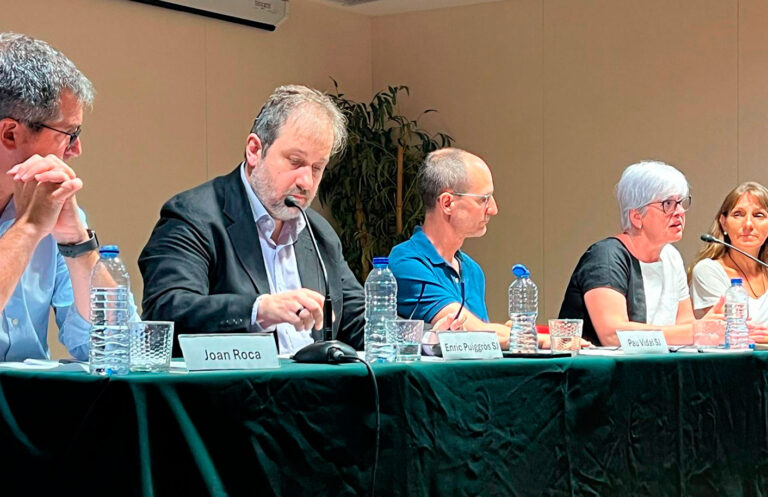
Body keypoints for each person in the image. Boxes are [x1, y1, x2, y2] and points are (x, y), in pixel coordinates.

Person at [139, 86, 363, 354]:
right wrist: (259, 310)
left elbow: (358, 321)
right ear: (255, 150)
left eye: (317, 168)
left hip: (316, 381)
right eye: (295, 161)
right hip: (240, 381)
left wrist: (408, 336)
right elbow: (166, 311)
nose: (306, 181)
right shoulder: (193, 216)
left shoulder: (319, 233)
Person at [0, 33, 101, 362]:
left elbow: (114, 345)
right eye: (69, 134)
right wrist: (28, 228)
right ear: (10, 133)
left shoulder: (50, 207)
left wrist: (77, 242)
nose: (76, 150)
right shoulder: (36, 216)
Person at [389, 148, 541, 349]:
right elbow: (474, 334)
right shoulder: (406, 263)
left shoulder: (472, 269)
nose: (493, 209)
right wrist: (541, 339)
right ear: (447, 203)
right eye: (483, 199)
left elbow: (481, 344)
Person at [559, 160, 713, 346]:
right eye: (668, 204)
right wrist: (697, 331)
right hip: (599, 364)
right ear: (637, 217)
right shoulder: (605, 258)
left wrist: (709, 327)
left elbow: (685, 326)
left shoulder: (671, 256)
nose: (680, 212)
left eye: (680, 203)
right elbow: (613, 335)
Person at [690, 182, 768, 328]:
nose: (748, 224)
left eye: (758, 215)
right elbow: (731, 330)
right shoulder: (708, 270)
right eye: (738, 214)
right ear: (723, 223)